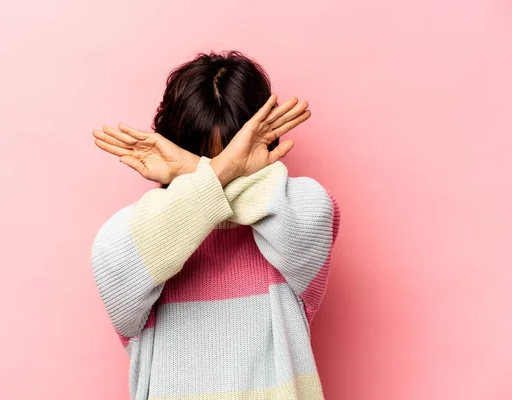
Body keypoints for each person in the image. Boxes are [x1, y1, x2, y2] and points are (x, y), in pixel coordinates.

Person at [90, 51, 340, 400]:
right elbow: (115, 262)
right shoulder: (135, 234)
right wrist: (220, 173)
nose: (218, 166)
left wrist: (196, 171)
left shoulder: (298, 209)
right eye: (203, 156)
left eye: (232, 154)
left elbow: (308, 217)